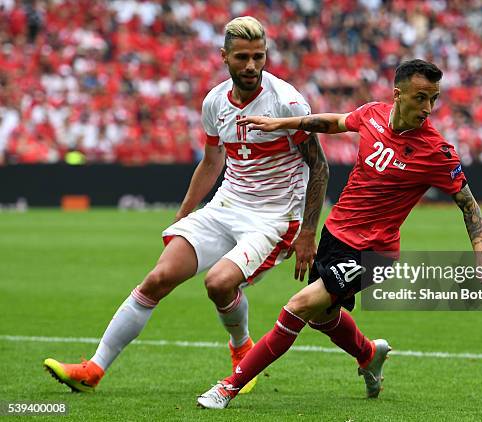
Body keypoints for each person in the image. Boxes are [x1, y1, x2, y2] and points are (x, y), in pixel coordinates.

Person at [196, 59, 482, 409]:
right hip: (335, 236)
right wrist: (279, 123)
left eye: (434, 99)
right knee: (322, 315)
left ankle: (228, 387)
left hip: (373, 253)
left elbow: (469, 205)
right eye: (420, 97)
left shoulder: (437, 152)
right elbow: (331, 122)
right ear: (399, 95)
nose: (427, 108)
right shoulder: (373, 114)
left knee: (299, 307)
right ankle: (368, 354)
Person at [43, 16, 329, 394]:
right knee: (157, 278)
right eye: (242, 57)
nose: (251, 66)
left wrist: (309, 231)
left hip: (273, 218)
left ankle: (241, 346)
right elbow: (212, 162)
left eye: (259, 57)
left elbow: (319, 164)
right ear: (224, 56)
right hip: (226, 204)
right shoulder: (214, 102)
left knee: (218, 284)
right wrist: (185, 214)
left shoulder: (286, 101)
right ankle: (93, 369)